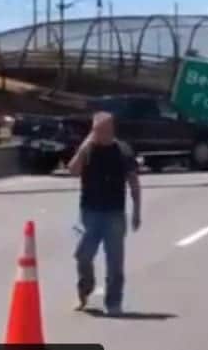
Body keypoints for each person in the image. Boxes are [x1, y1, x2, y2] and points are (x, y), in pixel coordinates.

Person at [68, 111, 142, 315]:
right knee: (83, 256)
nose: (98, 134)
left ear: (110, 130)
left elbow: (134, 183)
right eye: (95, 130)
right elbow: (72, 170)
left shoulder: (122, 150)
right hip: (90, 212)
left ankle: (114, 303)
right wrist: (84, 146)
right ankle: (86, 287)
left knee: (115, 262)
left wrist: (136, 212)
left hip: (114, 214)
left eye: (102, 130)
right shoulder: (88, 149)